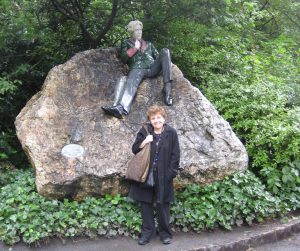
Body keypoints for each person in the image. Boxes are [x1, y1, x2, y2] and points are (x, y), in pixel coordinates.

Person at [128, 105, 180, 245]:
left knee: (163, 205)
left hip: (164, 176)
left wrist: (171, 173)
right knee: (146, 205)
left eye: (158, 117)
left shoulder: (171, 132)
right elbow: (134, 149)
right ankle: (147, 234)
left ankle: (165, 234)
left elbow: (176, 155)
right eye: (153, 118)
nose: (156, 120)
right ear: (150, 120)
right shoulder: (145, 131)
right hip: (146, 175)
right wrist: (145, 141)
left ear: (164, 118)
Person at [102, 20, 173, 119]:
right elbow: (123, 59)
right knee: (132, 80)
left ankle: (168, 89)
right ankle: (121, 107)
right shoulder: (126, 43)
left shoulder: (149, 44)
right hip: (138, 68)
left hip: (153, 68)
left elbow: (159, 57)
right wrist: (134, 48)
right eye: (137, 30)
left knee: (165, 51)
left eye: (140, 30)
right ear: (132, 32)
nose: (139, 32)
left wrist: (167, 61)